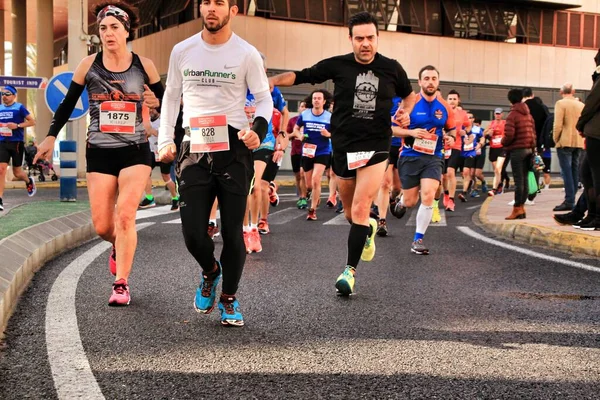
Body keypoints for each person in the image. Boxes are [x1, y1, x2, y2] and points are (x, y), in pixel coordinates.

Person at [269, 11, 416, 296]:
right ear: (350, 39)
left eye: (370, 38)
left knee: (361, 207)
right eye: (359, 38)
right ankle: (369, 227)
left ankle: (349, 271)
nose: (365, 43)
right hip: (344, 148)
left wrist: (406, 111)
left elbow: (409, 94)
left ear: (377, 38)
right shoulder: (338, 65)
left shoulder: (391, 68)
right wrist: (272, 80)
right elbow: (302, 75)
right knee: (351, 215)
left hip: (376, 147)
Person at [35, 3, 162, 306]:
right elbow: (67, 104)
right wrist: (51, 136)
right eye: (103, 28)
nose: (107, 33)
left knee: (126, 215)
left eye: (114, 27)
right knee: (104, 226)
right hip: (100, 152)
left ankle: (121, 283)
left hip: (135, 150)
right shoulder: (88, 65)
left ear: (127, 30)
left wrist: (154, 104)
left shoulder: (144, 65)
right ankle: (118, 244)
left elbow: (165, 101)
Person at [157, 0, 272, 326]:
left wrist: (258, 132)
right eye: (206, 1)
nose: (211, 8)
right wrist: (165, 138)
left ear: (232, 10)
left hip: (234, 150)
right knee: (193, 233)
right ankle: (211, 271)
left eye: (219, 2)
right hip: (194, 147)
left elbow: (263, 99)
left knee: (233, 233)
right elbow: (171, 97)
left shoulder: (246, 53)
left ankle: (229, 299)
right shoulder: (182, 50)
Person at [392, 65, 455, 254]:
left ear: (438, 82)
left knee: (428, 195)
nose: (430, 82)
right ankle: (401, 201)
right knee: (411, 202)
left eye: (434, 78)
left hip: (433, 157)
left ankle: (418, 240)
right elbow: (392, 129)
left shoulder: (444, 107)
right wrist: (411, 131)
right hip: (410, 156)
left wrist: (450, 137)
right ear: (419, 82)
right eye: (426, 78)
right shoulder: (409, 104)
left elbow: (451, 130)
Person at [292, 89, 332, 221]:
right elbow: (295, 129)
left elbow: (338, 132)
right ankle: (315, 194)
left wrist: (329, 135)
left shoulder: (329, 116)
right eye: (314, 98)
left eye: (319, 98)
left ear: (324, 101)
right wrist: (300, 136)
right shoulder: (305, 114)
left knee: (316, 180)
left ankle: (312, 210)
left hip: (322, 150)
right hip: (308, 150)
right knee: (309, 185)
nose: (316, 100)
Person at [0, 85, 37, 210]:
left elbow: (32, 121)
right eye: (2, 94)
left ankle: (28, 181)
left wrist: (17, 125)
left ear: (14, 96)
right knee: (1, 170)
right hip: (2, 142)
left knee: (17, 172)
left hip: (16, 143)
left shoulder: (19, 107)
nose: (4, 96)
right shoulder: (0, 108)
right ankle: (0, 199)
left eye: (7, 94)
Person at [575, 49, 600, 231]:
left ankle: (596, 217)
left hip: (596, 133)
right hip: (594, 131)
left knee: (594, 176)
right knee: (587, 174)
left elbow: (592, 102)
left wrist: (581, 123)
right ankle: (591, 215)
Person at [501, 89, 536, 220]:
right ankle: (521, 208)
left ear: (510, 100)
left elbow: (509, 135)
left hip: (517, 151)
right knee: (525, 179)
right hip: (528, 149)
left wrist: (503, 142)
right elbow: (533, 134)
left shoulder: (512, 115)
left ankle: (517, 209)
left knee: (519, 181)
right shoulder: (528, 114)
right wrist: (533, 148)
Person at [553, 83, 585, 211]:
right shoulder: (581, 105)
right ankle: (572, 199)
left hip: (565, 141)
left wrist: (556, 139)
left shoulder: (560, 104)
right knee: (574, 171)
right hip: (578, 141)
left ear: (561, 92)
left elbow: (558, 125)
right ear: (574, 91)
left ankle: (569, 200)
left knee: (566, 172)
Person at [140, 107, 179, 210]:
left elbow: (172, 136)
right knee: (145, 173)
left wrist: (153, 132)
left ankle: (175, 198)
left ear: (158, 110)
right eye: (149, 110)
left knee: (165, 176)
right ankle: (149, 198)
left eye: (153, 109)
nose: (150, 111)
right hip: (152, 151)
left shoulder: (164, 121)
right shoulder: (147, 120)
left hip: (163, 151)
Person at [443, 90, 471, 212]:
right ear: (446, 100)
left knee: (450, 172)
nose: (452, 101)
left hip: (456, 145)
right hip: (443, 146)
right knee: (443, 176)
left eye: (454, 99)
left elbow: (468, 126)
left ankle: (451, 200)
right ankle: (445, 193)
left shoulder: (462, 114)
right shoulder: (442, 111)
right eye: (450, 99)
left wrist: (465, 132)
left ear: (458, 100)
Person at [287, 101, 308, 209]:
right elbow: (287, 136)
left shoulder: (310, 120)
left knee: (303, 174)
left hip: (307, 151)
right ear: (299, 108)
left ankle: (305, 196)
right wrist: (294, 134)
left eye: (306, 107)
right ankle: (301, 196)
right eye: (302, 106)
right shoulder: (292, 121)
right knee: (298, 176)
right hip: (295, 151)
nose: (303, 108)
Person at [485, 108, 507, 195]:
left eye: (499, 114)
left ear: (502, 114)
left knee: (498, 169)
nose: (498, 115)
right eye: (496, 114)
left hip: (502, 148)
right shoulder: (491, 123)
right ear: (494, 114)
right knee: (496, 170)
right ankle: (500, 184)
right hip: (493, 148)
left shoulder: (504, 123)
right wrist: (488, 133)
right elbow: (484, 134)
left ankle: (494, 189)